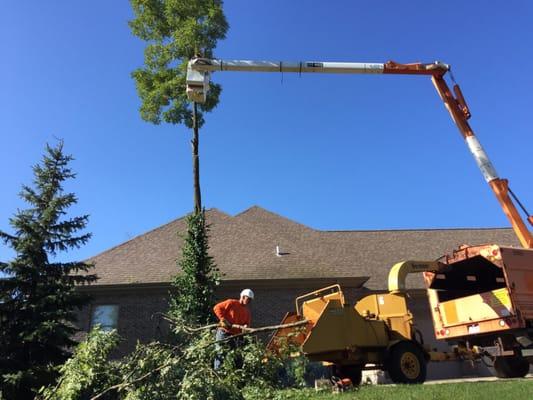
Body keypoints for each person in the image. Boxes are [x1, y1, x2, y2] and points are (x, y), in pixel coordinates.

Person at [213, 288, 254, 369]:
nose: (249, 301)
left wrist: (245, 327)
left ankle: (236, 376)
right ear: (242, 296)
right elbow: (217, 308)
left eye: (250, 300)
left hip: (236, 336)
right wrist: (223, 319)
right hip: (224, 332)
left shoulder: (247, 312)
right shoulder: (231, 303)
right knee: (221, 354)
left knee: (238, 358)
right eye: (248, 299)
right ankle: (217, 374)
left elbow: (247, 324)